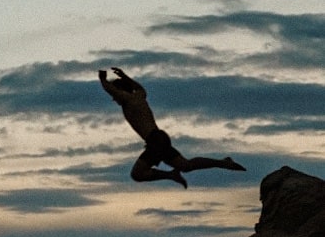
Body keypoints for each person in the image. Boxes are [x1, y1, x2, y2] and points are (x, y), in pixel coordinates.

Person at [98, 67, 245, 187]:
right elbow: (139, 88)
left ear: (122, 92)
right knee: (186, 165)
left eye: (115, 96)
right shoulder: (139, 96)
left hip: (156, 140)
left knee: (137, 174)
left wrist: (103, 80)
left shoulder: (128, 99)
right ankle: (223, 163)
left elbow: (112, 90)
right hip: (159, 138)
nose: (113, 99)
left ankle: (171, 174)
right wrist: (125, 76)